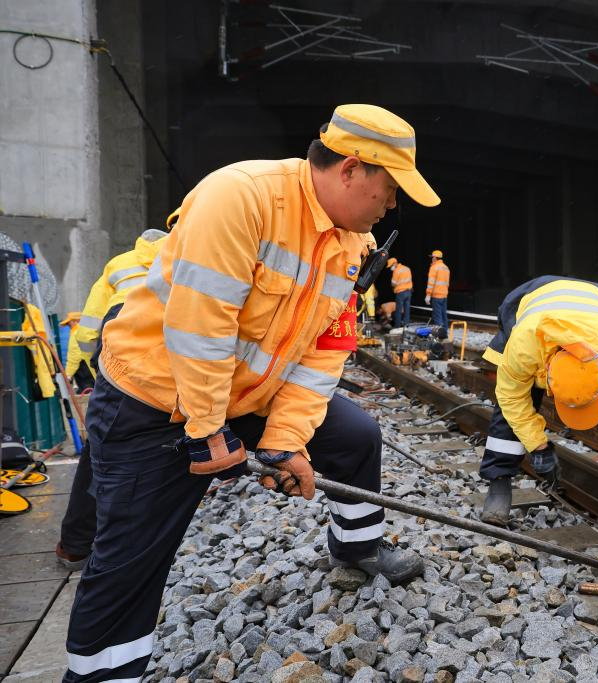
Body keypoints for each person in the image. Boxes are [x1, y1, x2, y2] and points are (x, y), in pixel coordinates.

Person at [63, 104, 440, 683]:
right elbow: (200, 326)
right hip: (156, 399)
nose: (391, 206)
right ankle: (99, 676)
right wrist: (208, 430)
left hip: (244, 397)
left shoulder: (349, 243)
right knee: (128, 563)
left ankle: (358, 548)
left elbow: (321, 358)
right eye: (389, 190)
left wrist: (285, 441)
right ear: (351, 170)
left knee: (356, 434)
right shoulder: (241, 196)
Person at [478, 276, 598, 525]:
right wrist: (538, 446)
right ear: (546, 373)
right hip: (527, 300)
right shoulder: (524, 344)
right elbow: (511, 397)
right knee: (509, 409)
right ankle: (498, 484)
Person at [55, 227, 170, 571]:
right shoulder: (193, 254)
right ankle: (140, 544)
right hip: (168, 350)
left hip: (118, 348)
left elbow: (89, 327)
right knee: (162, 448)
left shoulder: (118, 264)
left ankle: (76, 546)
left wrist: (82, 369)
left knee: (101, 452)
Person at [425, 249, 449, 330]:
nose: (431, 258)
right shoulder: (446, 268)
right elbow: (447, 283)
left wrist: (428, 295)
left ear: (435, 258)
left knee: (437, 316)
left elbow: (431, 282)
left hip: (436, 296)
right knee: (443, 315)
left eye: (432, 257)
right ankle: (445, 334)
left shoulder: (434, 267)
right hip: (444, 295)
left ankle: (439, 336)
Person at [388, 257, 413, 327]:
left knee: (398, 310)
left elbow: (393, 283)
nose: (391, 268)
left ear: (395, 263)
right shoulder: (407, 268)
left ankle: (397, 326)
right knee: (407, 310)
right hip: (408, 292)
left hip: (400, 293)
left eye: (391, 266)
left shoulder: (396, 271)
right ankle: (406, 326)